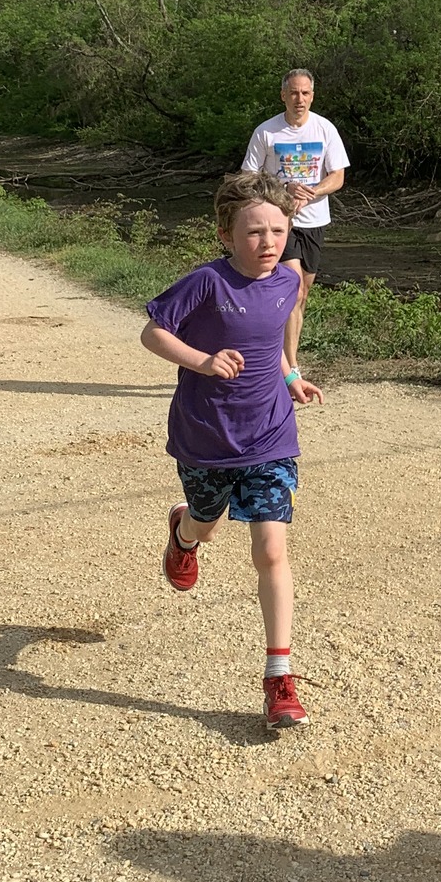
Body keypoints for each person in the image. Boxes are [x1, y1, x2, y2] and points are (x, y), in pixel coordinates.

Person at [141, 170, 323, 732]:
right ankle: (183, 533)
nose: (267, 243)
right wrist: (201, 361)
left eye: (276, 230)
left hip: (271, 432)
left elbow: (276, 341)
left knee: (271, 551)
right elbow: (152, 333)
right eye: (253, 233)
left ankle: (279, 680)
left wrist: (291, 376)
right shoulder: (204, 283)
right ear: (226, 234)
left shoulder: (288, 280)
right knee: (207, 523)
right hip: (207, 435)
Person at [241, 69, 350, 373]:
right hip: (278, 221)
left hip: (315, 220)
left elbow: (338, 176)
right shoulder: (267, 132)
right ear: (283, 96)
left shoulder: (325, 129)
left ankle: (273, 354)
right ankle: (290, 368)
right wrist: (283, 189)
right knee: (294, 289)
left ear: (312, 96)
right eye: (293, 93)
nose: (299, 99)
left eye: (304, 93)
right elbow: (248, 177)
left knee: (300, 297)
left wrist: (314, 191)